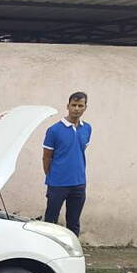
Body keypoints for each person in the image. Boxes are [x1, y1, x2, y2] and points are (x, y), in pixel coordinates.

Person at [42, 91, 92, 237]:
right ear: (68, 106)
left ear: (85, 108)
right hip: (57, 184)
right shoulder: (54, 130)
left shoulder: (87, 128)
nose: (76, 108)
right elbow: (46, 157)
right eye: (73, 105)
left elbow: (79, 150)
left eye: (80, 105)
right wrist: (52, 175)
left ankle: (72, 252)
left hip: (79, 183)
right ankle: (47, 250)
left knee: (74, 221)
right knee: (51, 221)